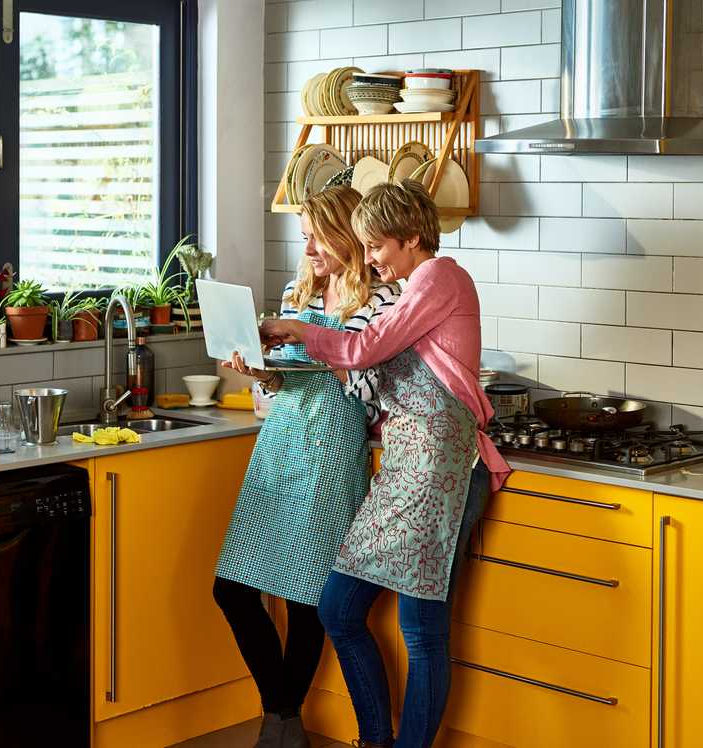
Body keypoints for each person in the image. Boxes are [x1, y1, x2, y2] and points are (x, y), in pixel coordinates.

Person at [259, 180, 511, 748]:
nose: (370, 258)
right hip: (405, 469)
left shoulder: (441, 277)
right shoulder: (414, 284)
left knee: (421, 633)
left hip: (442, 472)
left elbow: (366, 347)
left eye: (377, 247)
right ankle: (376, 739)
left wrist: (298, 330)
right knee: (339, 610)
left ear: (413, 239)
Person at [213, 185, 401, 748]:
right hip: (280, 441)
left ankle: (279, 722)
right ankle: (284, 713)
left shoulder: (384, 301)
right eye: (306, 236)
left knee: (306, 596)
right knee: (232, 590)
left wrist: (313, 342)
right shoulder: (303, 291)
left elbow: (376, 390)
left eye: (319, 235)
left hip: (331, 447)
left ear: (349, 235)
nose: (310, 246)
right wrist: (262, 373)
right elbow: (280, 387)